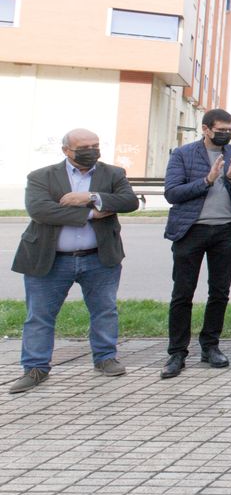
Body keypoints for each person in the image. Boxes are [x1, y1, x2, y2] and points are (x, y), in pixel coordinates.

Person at [10, 129, 140, 393]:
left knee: (105, 310)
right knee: (39, 316)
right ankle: (35, 368)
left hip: (99, 258)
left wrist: (90, 196)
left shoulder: (113, 174)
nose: (92, 150)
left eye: (95, 145)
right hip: (49, 259)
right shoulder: (41, 176)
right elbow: (40, 210)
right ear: (66, 150)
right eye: (84, 147)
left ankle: (105, 358)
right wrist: (93, 214)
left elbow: (129, 201)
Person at [158, 109, 231, 379]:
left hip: (225, 230)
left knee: (220, 291)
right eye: (221, 129)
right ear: (205, 129)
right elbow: (172, 193)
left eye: (230, 130)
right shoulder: (183, 155)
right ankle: (177, 352)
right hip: (190, 231)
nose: (226, 134)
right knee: (183, 293)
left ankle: (210, 346)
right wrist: (207, 180)